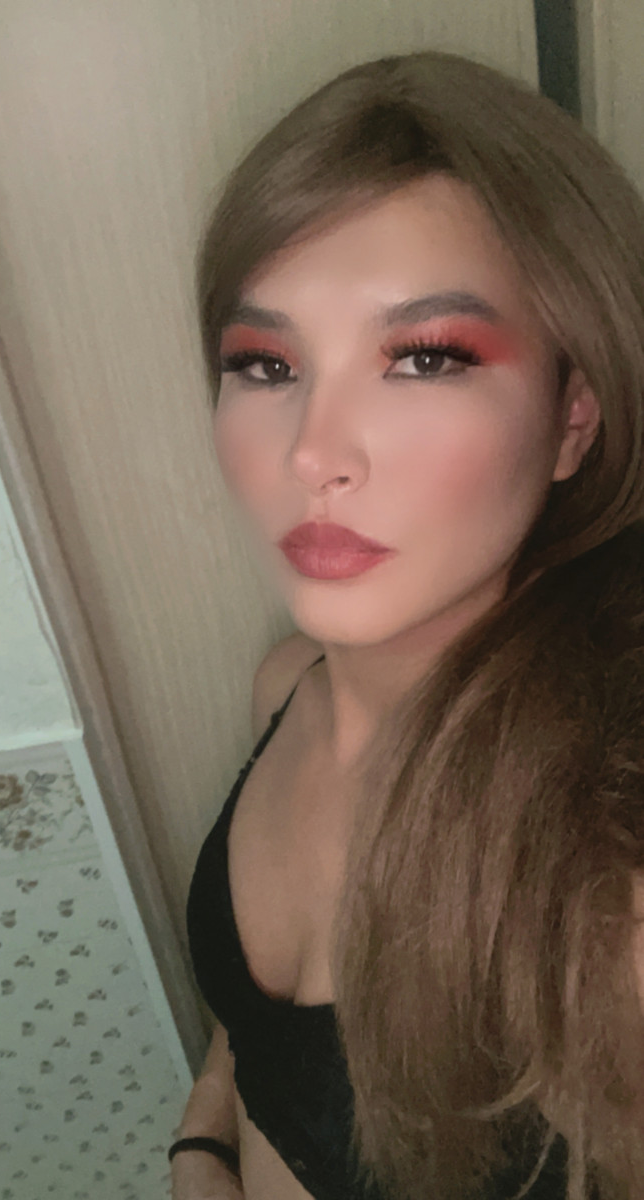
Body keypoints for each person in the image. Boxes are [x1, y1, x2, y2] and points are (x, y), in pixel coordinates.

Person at [170, 51, 644, 1200]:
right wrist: (201, 1146)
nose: (313, 453)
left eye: (425, 358)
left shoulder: (607, 893)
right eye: (266, 363)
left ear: (574, 418)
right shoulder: (285, 688)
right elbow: (255, 1038)